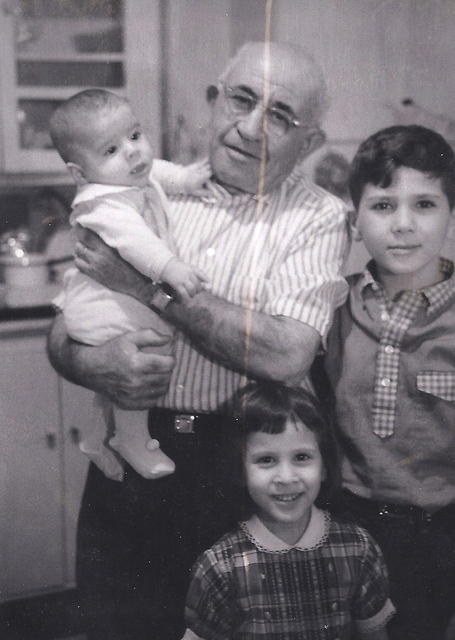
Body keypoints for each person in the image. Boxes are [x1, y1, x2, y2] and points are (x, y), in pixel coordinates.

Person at [47, 41, 349, 639]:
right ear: (214, 100)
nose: (251, 127)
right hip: (131, 454)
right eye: (241, 98)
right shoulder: (140, 188)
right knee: (118, 624)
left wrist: (149, 291)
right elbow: (64, 324)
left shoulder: (317, 217)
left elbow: (285, 351)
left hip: (236, 465)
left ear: (309, 143)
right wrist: (92, 361)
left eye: (281, 116)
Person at [320, 125, 455, 640]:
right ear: (355, 220)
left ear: (449, 214)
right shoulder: (333, 306)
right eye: (382, 206)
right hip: (344, 524)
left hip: (437, 534)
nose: (403, 225)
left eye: (424, 204)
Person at [49, 89, 210, 481]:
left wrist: (187, 178)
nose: (133, 152)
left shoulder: (128, 177)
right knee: (142, 357)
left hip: (104, 297)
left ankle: (96, 436)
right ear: (79, 173)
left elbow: (161, 172)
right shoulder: (102, 204)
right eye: (111, 150)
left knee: (116, 380)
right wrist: (170, 267)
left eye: (135, 135)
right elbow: (136, 242)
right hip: (98, 306)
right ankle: (132, 440)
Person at [182, 381, 395, 640]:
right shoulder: (220, 566)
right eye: (266, 460)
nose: (286, 477)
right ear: (240, 470)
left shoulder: (358, 549)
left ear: (325, 466)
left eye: (302, 457)